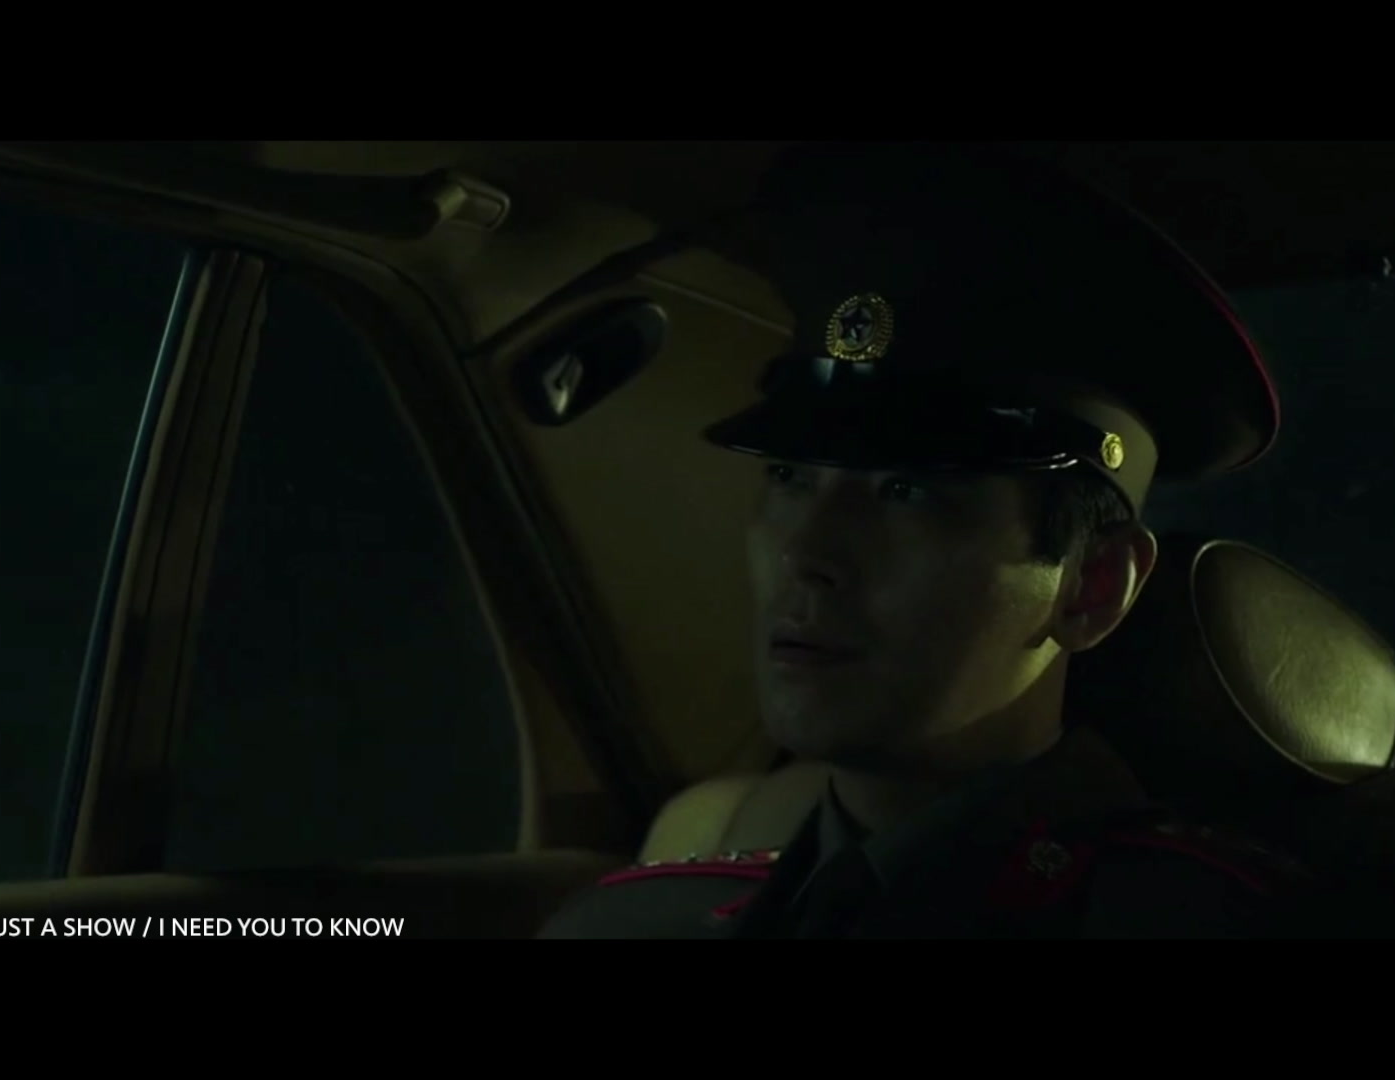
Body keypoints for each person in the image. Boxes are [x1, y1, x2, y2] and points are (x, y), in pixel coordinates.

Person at [538, 143, 1310, 939]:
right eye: (790, 478)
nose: (807, 555)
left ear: (1093, 584)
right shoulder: (632, 922)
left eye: (906, 493)